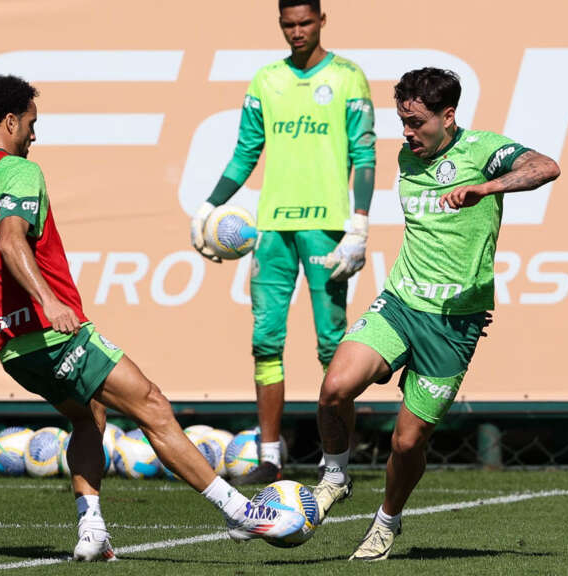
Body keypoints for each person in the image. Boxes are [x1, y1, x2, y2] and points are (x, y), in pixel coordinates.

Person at [0, 75, 305, 562]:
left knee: (91, 418)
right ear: (10, 121)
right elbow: (10, 241)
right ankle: (242, 513)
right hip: (54, 336)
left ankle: (92, 530)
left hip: (17, 351)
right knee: (152, 405)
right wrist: (48, 300)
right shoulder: (17, 171)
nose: (34, 136)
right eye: (32, 124)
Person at [309, 67, 561, 560]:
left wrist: (487, 189)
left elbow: (547, 167)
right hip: (401, 303)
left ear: (448, 117)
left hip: (453, 323)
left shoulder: (484, 151)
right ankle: (335, 476)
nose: (406, 133)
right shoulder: (410, 154)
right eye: (402, 120)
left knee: (407, 444)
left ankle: (387, 521)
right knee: (335, 386)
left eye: (417, 122)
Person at [189, 0, 377, 485]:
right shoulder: (266, 80)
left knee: (332, 347)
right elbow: (245, 153)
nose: (297, 32)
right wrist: (209, 206)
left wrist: (359, 224)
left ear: (322, 21)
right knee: (265, 341)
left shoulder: (348, 77)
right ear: (280, 25)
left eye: (305, 23)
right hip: (271, 232)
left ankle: (336, 464)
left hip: (327, 230)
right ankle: (270, 457)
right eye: (289, 25)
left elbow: (365, 155)